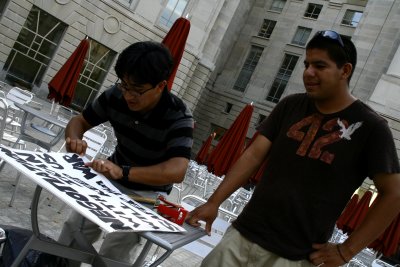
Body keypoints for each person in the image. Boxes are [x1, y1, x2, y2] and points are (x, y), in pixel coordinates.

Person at [187, 30, 400, 267]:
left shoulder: (371, 127)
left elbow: (394, 193)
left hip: (295, 257)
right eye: (307, 64)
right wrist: (214, 202)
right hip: (241, 236)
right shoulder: (290, 105)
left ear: (345, 70)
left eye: (320, 65)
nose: (308, 72)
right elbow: (253, 155)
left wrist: (346, 251)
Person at [58, 41, 194, 266]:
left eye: (138, 90)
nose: (129, 96)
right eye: (125, 86)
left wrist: (124, 172)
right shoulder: (116, 95)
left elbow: (177, 170)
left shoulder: (178, 116)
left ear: (160, 86)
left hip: (147, 194)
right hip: (110, 178)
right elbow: (79, 121)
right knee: (74, 230)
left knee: (115, 251)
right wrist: (74, 138)